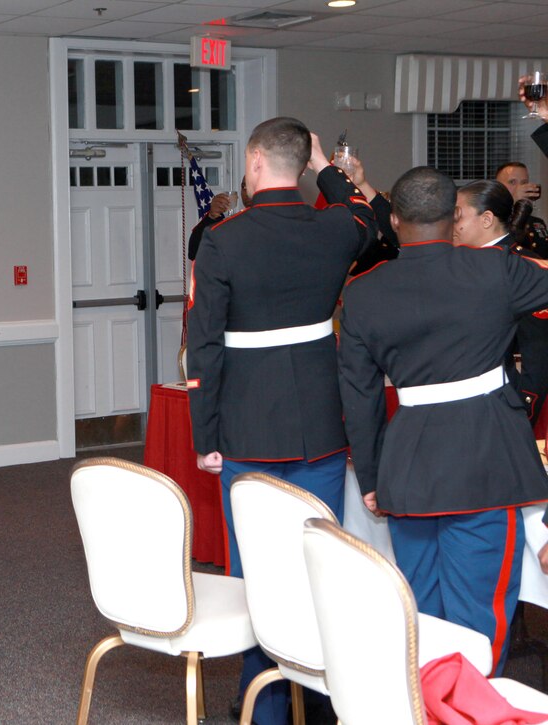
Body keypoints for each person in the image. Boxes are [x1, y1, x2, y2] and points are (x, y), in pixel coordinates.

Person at [186, 117, 378, 725]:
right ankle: (321, 707)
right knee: (318, 568)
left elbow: (205, 347)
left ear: (254, 162)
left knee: (258, 580)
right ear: (304, 166)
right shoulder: (336, 228)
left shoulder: (224, 240)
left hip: (248, 430)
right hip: (321, 424)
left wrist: (205, 435)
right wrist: (329, 168)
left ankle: (265, 707)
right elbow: (368, 215)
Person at [338, 166, 548, 676]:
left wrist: (371, 477)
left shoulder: (363, 292)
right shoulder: (494, 271)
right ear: (454, 217)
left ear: (394, 218)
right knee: (478, 615)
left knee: (422, 613)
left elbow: (360, 398)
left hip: (408, 467)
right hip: (486, 463)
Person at [454, 180, 548, 423]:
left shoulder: (522, 267)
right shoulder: (459, 263)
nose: (450, 225)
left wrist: (521, 411)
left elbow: (537, 354)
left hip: (499, 404)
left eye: (457, 217)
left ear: (486, 220)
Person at [494, 161, 548, 258]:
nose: (520, 187)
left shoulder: (537, 222)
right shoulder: (491, 219)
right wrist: (514, 201)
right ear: (498, 187)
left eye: (524, 182)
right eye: (512, 182)